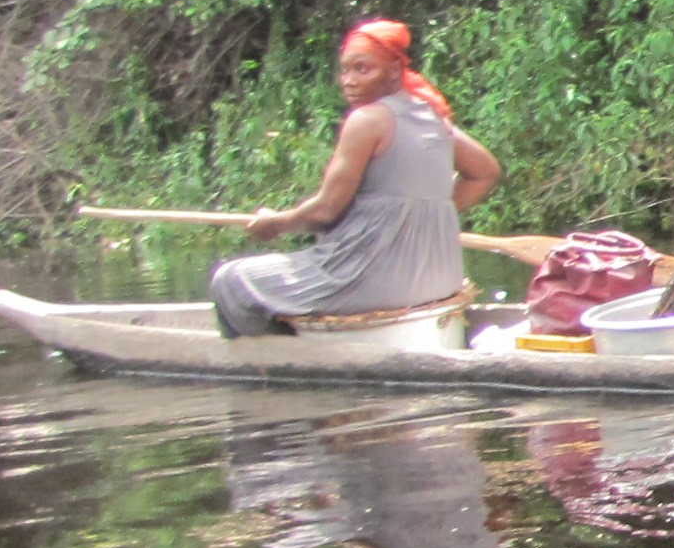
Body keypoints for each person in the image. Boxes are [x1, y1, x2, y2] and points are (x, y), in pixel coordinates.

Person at [209, 18, 505, 337]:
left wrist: (275, 223)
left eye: (362, 69)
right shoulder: (435, 118)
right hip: (439, 280)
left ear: (395, 70)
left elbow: (325, 212)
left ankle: (284, 352)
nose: (349, 81)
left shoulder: (367, 120)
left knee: (231, 280)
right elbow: (485, 173)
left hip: (372, 279)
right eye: (345, 70)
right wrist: (416, 215)